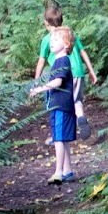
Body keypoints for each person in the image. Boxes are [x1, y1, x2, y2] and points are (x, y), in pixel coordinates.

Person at [34, 3, 99, 139]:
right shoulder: (70, 35)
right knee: (77, 101)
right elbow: (82, 51)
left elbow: (41, 60)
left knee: (61, 105)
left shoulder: (48, 39)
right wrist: (91, 71)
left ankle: (59, 134)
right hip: (79, 73)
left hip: (63, 75)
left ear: (46, 23)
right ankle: (80, 117)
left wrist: (37, 79)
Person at [29, 25, 77, 184]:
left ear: (66, 44)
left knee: (58, 139)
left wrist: (38, 89)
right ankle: (68, 171)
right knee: (61, 139)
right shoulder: (58, 60)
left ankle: (58, 172)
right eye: (51, 39)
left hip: (61, 106)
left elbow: (58, 82)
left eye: (56, 40)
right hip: (59, 106)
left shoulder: (62, 60)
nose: (51, 42)